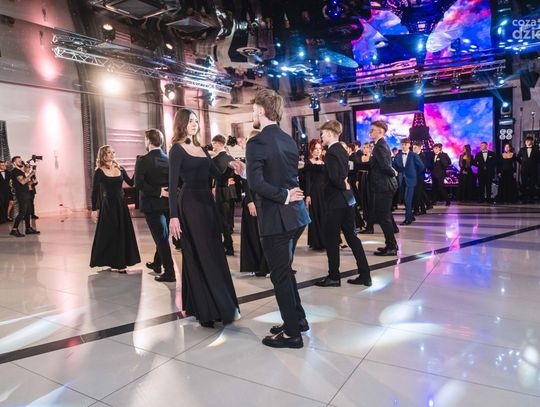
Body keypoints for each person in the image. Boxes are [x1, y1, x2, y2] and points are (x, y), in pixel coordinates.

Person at [241, 89, 311, 349]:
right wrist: (286, 193)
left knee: (280, 276)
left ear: (261, 110)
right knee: (286, 272)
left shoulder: (256, 142)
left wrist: (283, 195)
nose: (252, 114)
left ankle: (292, 334)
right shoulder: (288, 139)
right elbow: (281, 175)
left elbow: (257, 183)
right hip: (297, 217)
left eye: (253, 110)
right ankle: (298, 320)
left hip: (277, 218)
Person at [168, 108, 240, 328]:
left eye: (196, 121)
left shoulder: (202, 149)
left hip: (207, 203)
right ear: (181, 124)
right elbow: (172, 185)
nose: (194, 124)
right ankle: (206, 309)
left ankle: (215, 304)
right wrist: (173, 216)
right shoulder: (176, 149)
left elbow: (217, 176)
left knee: (213, 251)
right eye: (190, 121)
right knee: (199, 253)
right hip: (189, 203)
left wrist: (231, 166)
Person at [314, 120, 371, 287]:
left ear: (330, 133)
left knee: (331, 239)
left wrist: (341, 184)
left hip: (335, 201)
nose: (321, 137)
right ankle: (365, 274)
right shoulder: (341, 149)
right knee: (352, 238)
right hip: (346, 199)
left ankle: (334, 277)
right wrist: (344, 184)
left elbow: (335, 177)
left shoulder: (331, 152)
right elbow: (343, 174)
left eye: (322, 134)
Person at [90, 146, 140, 272]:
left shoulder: (120, 168)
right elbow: (94, 191)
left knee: (121, 232)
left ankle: (120, 263)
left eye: (113, 152)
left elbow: (131, 183)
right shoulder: (99, 171)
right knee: (109, 233)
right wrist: (94, 209)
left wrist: (138, 167)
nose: (112, 154)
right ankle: (109, 260)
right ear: (103, 155)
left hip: (121, 205)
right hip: (108, 206)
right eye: (109, 152)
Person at [134, 129, 175, 282]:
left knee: (161, 238)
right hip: (168, 204)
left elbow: (138, 184)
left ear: (148, 141)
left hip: (152, 205)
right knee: (163, 235)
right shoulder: (169, 158)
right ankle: (157, 264)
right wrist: (166, 192)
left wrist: (158, 192)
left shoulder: (142, 160)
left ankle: (169, 272)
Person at [237, 131, 268, 276]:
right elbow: (246, 183)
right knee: (253, 234)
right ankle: (255, 266)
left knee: (264, 235)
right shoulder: (248, 158)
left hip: (264, 200)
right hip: (252, 201)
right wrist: (250, 201)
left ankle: (265, 266)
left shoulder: (264, 156)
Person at [368, 121, 399, 256]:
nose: (370, 132)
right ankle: (391, 244)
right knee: (384, 216)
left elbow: (385, 166)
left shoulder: (379, 146)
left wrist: (394, 172)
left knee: (383, 217)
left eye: (372, 130)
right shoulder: (380, 145)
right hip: (383, 185)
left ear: (380, 131)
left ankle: (391, 247)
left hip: (384, 186)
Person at [211, 134, 237, 256]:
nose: (213, 145)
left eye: (214, 143)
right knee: (228, 219)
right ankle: (227, 243)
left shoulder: (215, 160)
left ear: (219, 143)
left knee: (223, 220)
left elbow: (216, 177)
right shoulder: (230, 157)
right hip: (230, 191)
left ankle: (228, 245)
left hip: (221, 191)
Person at [393, 138, 425, 225]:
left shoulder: (413, 155)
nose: (403, 146)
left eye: (405, 144)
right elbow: (394, 165)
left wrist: (414, 173)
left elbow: (421, 166)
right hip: (401, 180)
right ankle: (411, 216)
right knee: (405, 199)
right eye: (402, 144)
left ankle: (408, 219)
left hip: (411, 180)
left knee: (408, 199)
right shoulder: (398, 155)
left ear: (409, 145)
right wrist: (398, 173)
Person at [304, 138, 326, 250]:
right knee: (316, 216)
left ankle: (326, 241)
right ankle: (317, 242)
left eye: (319, 148)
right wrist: (308, 195)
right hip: (314, 193)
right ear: (311, 150)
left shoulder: (323, 162)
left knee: (325, 216)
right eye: (315, 149)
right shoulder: (308, 163)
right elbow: (307, 180)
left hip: (325, 193)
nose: (317, 151)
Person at [9, 156, 39, 237]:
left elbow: (25, 183)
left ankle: (28, 229)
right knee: (22, 212)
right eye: (18, 160)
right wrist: (32, 173)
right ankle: (14, 229)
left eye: (21, 160)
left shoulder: (20, 171)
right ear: (14, 163)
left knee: (28, 211)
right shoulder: (16, 171)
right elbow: (22, 182)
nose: (21, 161)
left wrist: (32, 182)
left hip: (26, 193)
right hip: (21, 194)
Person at [517, 135, 539, 203]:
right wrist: (522, 163)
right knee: (524, 184)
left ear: (532, 141)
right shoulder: (522, 149)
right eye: (526, 141)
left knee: (532, 184)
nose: (527, 142)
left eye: (528, 141)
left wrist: (535, 164)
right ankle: (524, 199)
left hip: (533, 169)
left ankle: (531, 199)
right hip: (524, 169)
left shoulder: (536, 149)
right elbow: (518, 157)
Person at [412, 143, 429, 215]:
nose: (413, 149)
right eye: (413, 148)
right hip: (414, 177)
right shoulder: (413, 156)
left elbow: (423, 167)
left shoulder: (422, 156)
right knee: (419, 194)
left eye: (415, 148)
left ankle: (416, 210)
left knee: (417, 194)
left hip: (419, 177)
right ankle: (422, 209)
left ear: (419, 148)